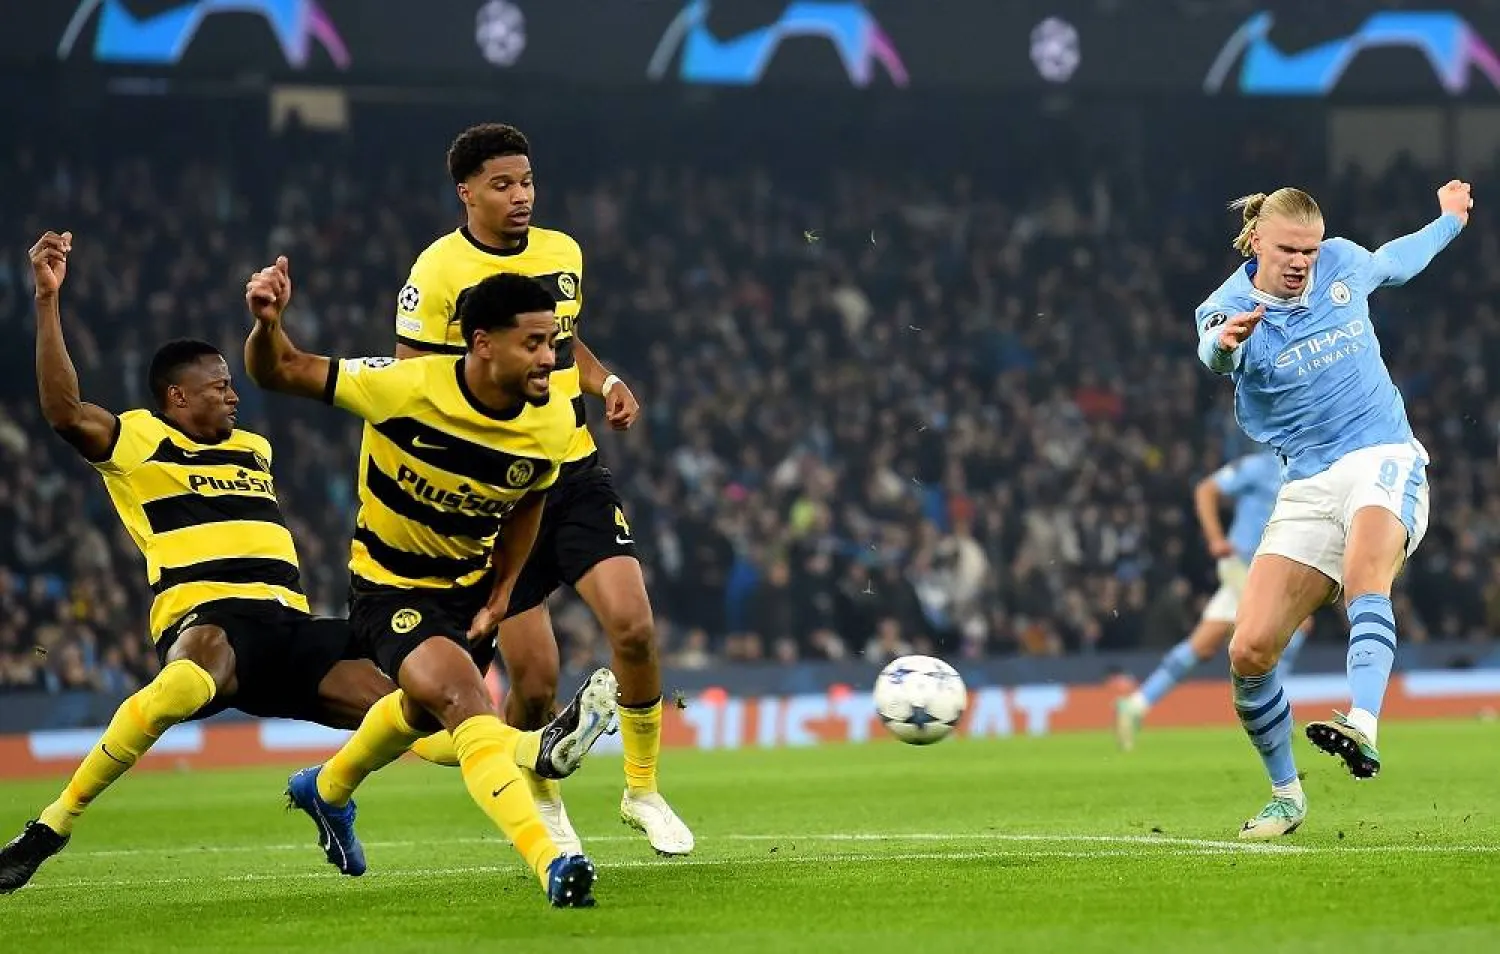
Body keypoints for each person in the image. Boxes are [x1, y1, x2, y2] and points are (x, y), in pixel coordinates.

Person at [0, 232, 395, 893]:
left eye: (231, 384)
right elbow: (64, 412)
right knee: (184, 684)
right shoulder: (139, 440)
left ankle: (330, 790)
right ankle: (50, 827)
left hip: (289, 625)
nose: (232, 395)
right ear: (176, 398)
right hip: (210, 620)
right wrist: (47, 300)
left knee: (406, 705)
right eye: (218, 387)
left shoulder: (256, 448)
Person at [244, 259, 615, 907]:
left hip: (466, 592)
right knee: (466, 703)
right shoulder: (403, 387)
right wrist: (267, 325)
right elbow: (281, 369)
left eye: (553, 343)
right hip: (390, 589)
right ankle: (552, 860)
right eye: (533, 344)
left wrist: (502, 591)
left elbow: (529, 500)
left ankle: (325, 788)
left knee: (420, 711)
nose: (548, 359)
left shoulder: (554, 421)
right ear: (482, 344)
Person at [391, 123, 692, 856]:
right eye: (502, 184)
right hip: (496, 494)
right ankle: (542, 799)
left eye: (526, 181)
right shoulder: (436, 273)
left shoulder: (563, 254)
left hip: (573, 468)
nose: (520, 195)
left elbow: (563, 341)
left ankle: (643, 789)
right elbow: (409, 384)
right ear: (466, 193)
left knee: (634, 626)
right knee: (534, 682)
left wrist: (606, 379)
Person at [1196, 181, 1471, 839]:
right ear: (1258, 239)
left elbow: (1394, 261)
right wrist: (1226, 344)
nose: (1301, 263)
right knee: (1250, 648)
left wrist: (1448, 221)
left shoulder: (1341, 264)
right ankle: (1287, 795)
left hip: (1384, 454)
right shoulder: (1226, 306)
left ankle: (1364, 724)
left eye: (1310, 252)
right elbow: (1211, 351)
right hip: (1308, 482)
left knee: (1364, 575)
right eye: (1289, 249)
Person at [1115, 450, 1311, 750]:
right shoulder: (1259, 466)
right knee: (1291, 629)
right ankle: (1274, 719)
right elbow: (1207, 489)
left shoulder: (1309, 472)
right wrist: (1215, 538)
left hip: (1271, 570)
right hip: (1243, 566)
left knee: (1203, 644)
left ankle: (1136, 705)